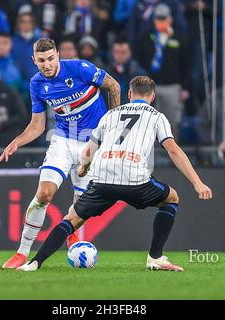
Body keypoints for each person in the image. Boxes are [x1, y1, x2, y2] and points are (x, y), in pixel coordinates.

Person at [18, 76, 213, 272]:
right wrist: (197, 183)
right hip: (135, 179)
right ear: (152, 96)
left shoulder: (110, 115)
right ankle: (155, 257)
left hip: (102, 178)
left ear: (129, 94)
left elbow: (88, 151)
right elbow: (173, 150)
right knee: (171, 198)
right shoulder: (156, 117)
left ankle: (35, 262)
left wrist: (83, 169)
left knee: (71, 220)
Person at [0, 38, 121, 269]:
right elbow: (37, 125)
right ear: (34, 60)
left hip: (93, 144)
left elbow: (114, 86)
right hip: (63, 140)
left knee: (81, 203)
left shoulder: (80, 68)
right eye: (42, 60)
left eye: (51, 58)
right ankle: (22, 253)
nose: (47, 64)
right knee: (44, 194)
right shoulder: (36, 84)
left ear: (58, 56)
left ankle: (72, 234)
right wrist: (17, 142)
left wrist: (112, 127)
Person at [136, 2, 190, 132]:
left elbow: (186, 62)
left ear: (170, 19)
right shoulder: (147, 36)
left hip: (172, 86)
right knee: (149, 124)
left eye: (163, 19)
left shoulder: (179, 37)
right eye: (158, 19)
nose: (161, 22)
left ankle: (171, 151)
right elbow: (141, 59)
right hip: (151, 86)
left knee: (171, 124)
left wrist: (186, 86)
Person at [106, 39, 147, 105]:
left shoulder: (139, 74)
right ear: (112, 52)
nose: (119, 56)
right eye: (116, 52)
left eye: (123, 52)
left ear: (130, 52)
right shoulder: (107, 72)